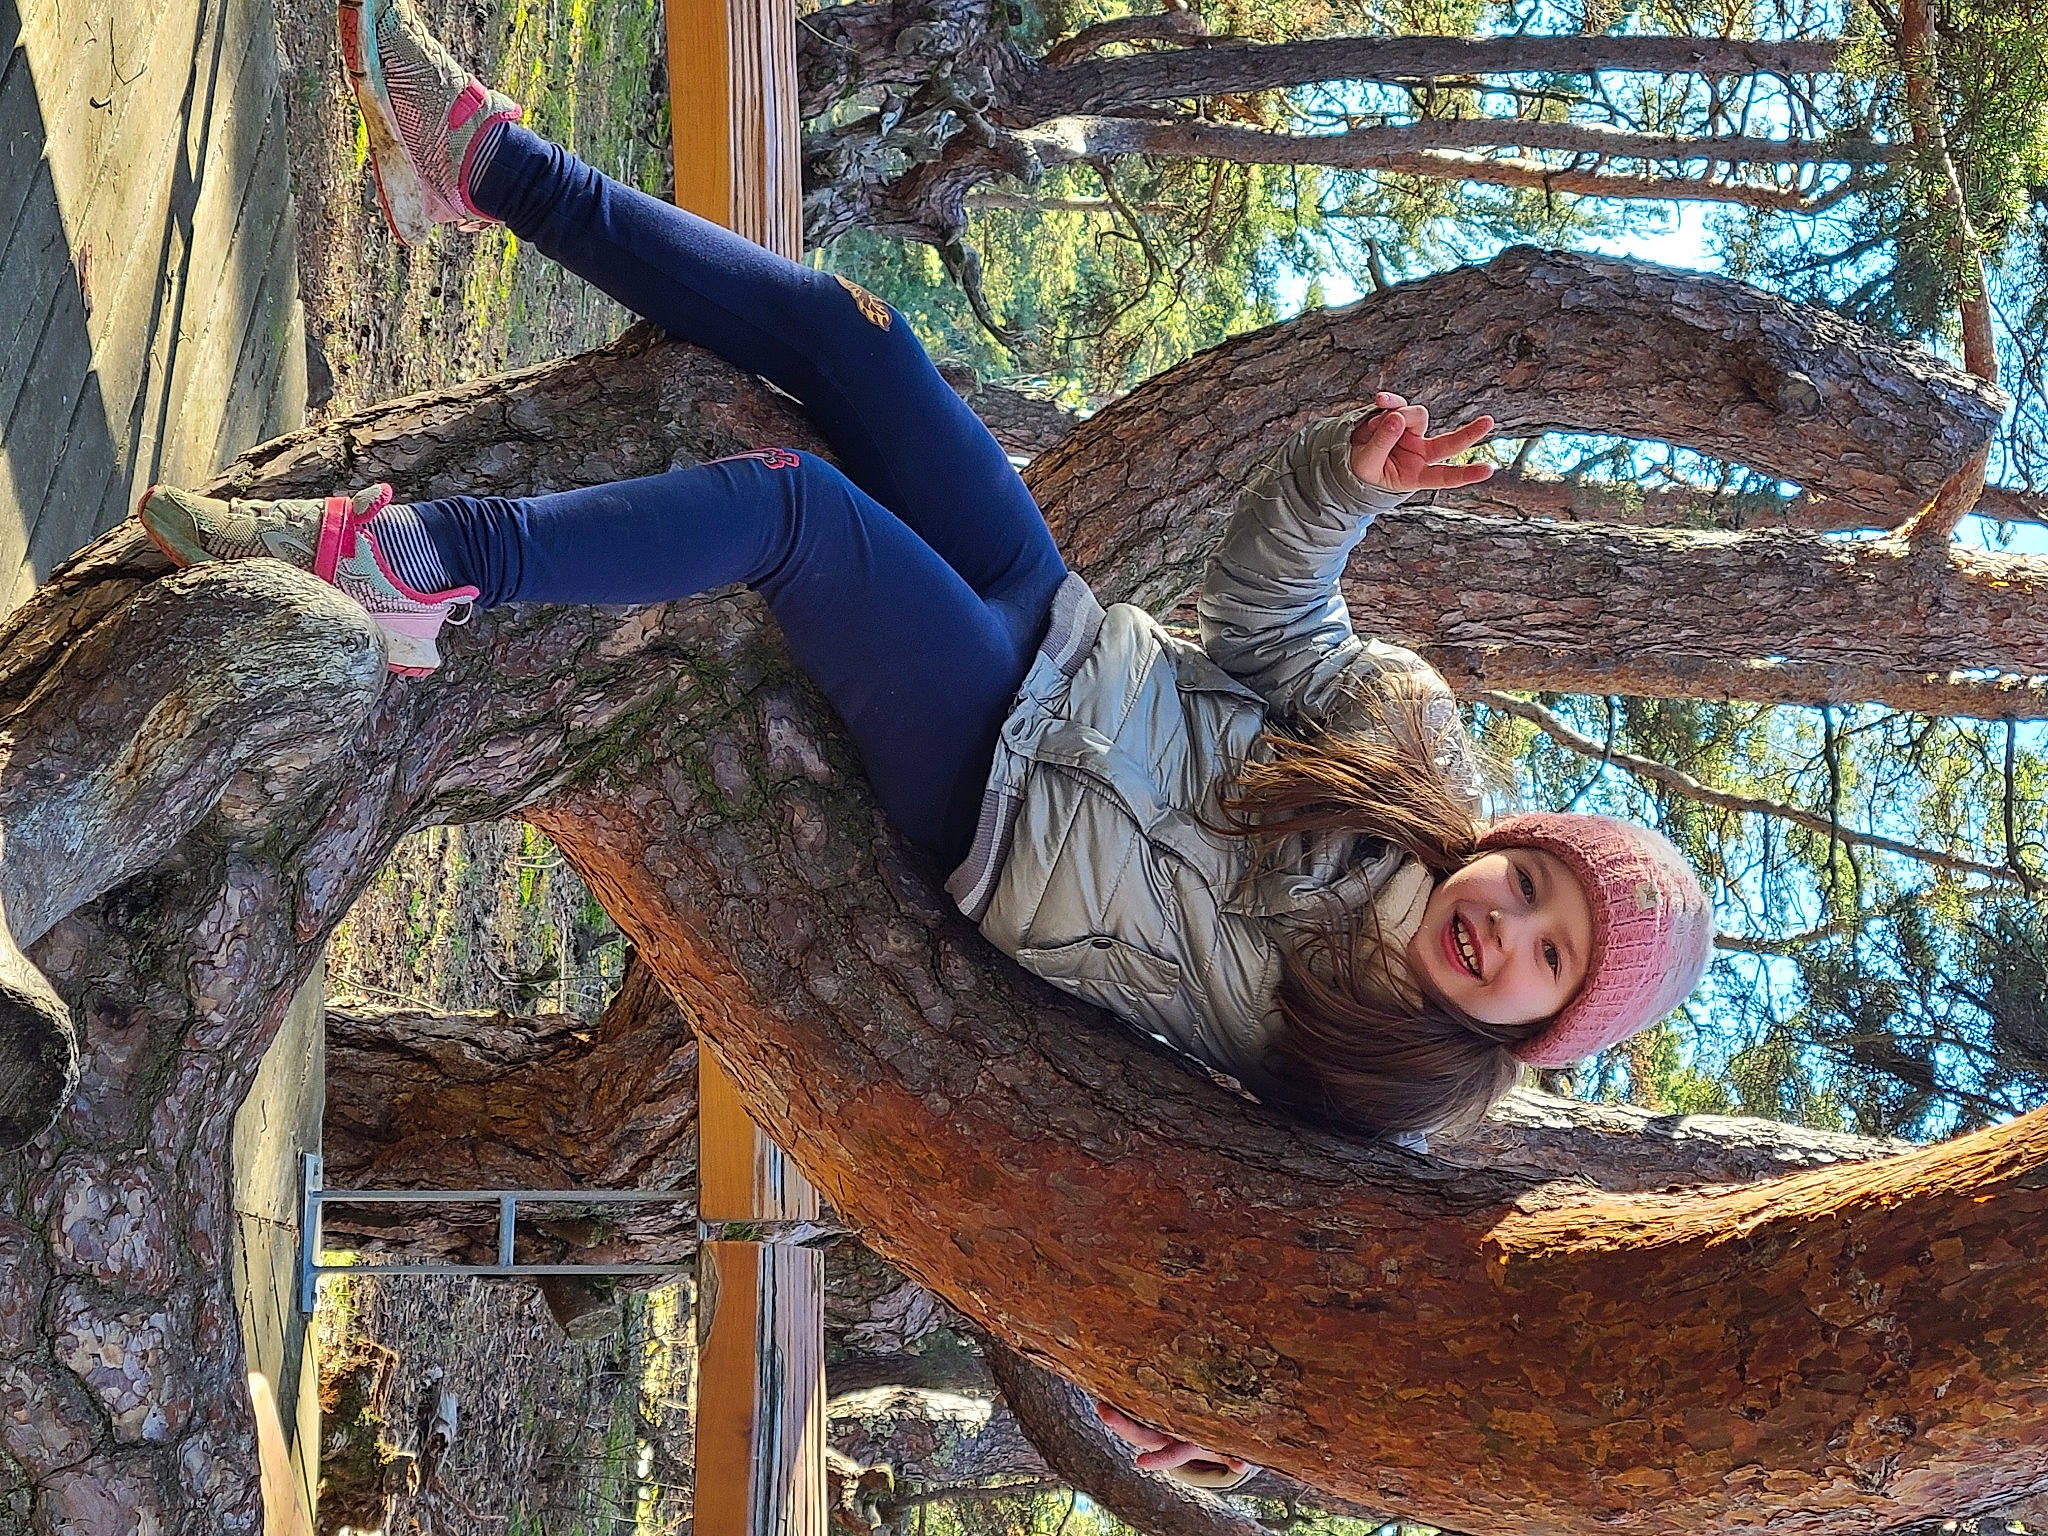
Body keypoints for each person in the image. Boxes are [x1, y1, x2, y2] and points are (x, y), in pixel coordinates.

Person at [137, 0, 1714, 1476]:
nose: (1508, 930)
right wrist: (1344, 484)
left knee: (798, 517)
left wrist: (1190, 1395)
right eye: (1540, 891)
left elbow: (1267, 1243)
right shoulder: (1405, 742)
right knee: (850, 337)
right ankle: (489, 170)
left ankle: (416, 566)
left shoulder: (1386, 1089)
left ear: (1531, 1028)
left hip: (1008, 805)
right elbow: (1266, 609)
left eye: (1549, 964)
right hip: (1059, 625)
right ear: (1523, 841)